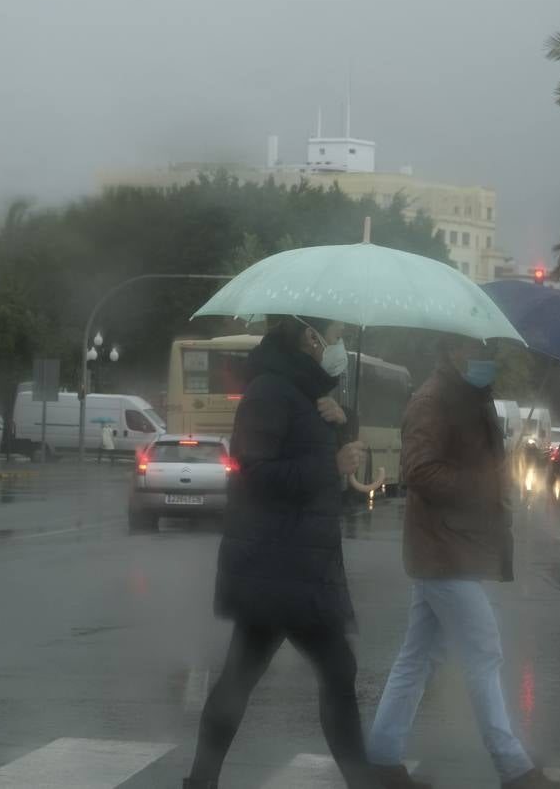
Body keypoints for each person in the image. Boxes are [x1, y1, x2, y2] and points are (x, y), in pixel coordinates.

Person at [367, 337, 560, 789]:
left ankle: (382, 761)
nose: (487, 360)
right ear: (454, 351)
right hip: (442, 548)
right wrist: (483, 481)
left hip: (449, 546)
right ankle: (514, 769)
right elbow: (417, 470)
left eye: (490, 351)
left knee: (417, 659)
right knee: (484, 650)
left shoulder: (467, 397)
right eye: (478, 350)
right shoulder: (433, 400)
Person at [185, 315, 378, 789]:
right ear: (307, 336)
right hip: (278, 563)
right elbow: (255, 475)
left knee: (241, 679)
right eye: (332, 336)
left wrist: (341, 428)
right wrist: (328, 463)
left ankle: (199, 782)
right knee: (335, 671)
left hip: (293, 562)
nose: (335, 345)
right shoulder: (269, 391)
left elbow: (320, 481)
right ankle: (362, 782)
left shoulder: (306, 394)